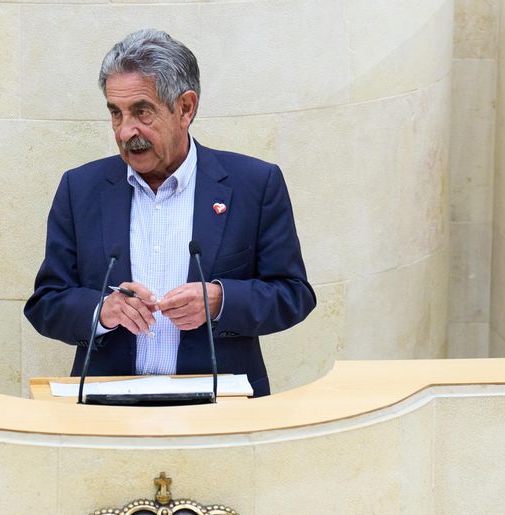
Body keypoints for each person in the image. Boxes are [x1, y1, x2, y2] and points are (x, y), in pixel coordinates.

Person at [24, 29, 315, 397]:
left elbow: (293, 294)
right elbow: (46, 302)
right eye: (116, 113)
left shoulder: (254, 185)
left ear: (185, 108)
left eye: (141, 112)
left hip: (218, 405)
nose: (126, 131)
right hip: (109, 406)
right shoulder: (80, 189)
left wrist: (221, 300)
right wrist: (103, 311)